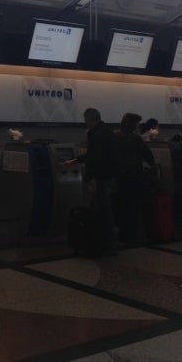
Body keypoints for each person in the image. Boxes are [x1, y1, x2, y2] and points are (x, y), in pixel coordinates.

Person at [65, 108, 118, 255]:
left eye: (86, 121)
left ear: (90, 120)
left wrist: (92, 180)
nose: (86, 124)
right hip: (109, 176)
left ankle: (105, 244)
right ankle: (106, 243)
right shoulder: (107, 132)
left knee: (103, 211)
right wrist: (75, 160)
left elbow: (95, 158)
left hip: (101, 178)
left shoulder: (97, 135)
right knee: (104, 210)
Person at [114, 113, 156, 245]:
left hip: (119, 177)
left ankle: (122, 235)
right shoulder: (135, 138)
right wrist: (153, 167)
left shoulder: (114, 136)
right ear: (132, 124)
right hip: (134, 176)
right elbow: (147, 155)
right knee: (133, 208)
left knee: (120, 207)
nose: (138, 126)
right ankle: (131, 235)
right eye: (136, 123)